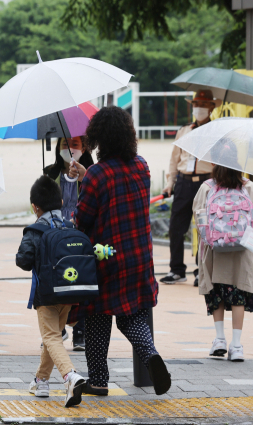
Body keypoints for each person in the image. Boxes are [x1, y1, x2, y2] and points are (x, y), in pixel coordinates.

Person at [68, 106, 171, 397]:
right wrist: (90, 176)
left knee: (99, 314)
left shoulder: (97, 175)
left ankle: (98, 380)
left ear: (99, 138)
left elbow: (83, 219)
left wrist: (84, 183)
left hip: (107, 258)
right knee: (131, 316)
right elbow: (118, 187)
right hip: (139, 256)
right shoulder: (142, 166)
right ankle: (149, 353)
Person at [16, 176, 86, 408]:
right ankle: (41, 381)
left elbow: (23, 261)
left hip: (46, 295)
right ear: (62, 201)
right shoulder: (69, 226)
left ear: (35, 207)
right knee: (53, 337)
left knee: (51, 337)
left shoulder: (35, 230)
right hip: (69, 292)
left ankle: (70, 376)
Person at [193, 144, 253, 362]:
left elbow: (199, 218)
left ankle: (219, 340)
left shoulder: (207, 188)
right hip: (241, 251)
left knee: (217, 294)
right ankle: (236, 345)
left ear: (214, 163)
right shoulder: (249, 187)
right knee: (238, 295)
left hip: (215, 250)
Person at [161, 90, 220, 286]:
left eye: (203, 104)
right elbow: (174, 159)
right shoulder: (184, 130)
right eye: (196, 104)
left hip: (206, 182)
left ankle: (201, 271)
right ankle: (176, 270)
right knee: (176, 227)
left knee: (205, 228)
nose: (199, 108)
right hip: (184, 182)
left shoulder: (217, 131)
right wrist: (170, 183)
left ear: (212, 107)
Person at [44, 136, 94, 351]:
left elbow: (95, 200)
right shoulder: (50, 173)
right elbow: (37, 204)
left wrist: (83, 180)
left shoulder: (92, 173)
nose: (70, 148)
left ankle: (80, 330)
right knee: (55, 279)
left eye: (75, 144)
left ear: (85, 147)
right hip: (56, 233)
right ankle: (59, 327)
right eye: (65, 144)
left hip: (82, 232)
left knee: (81, 279)